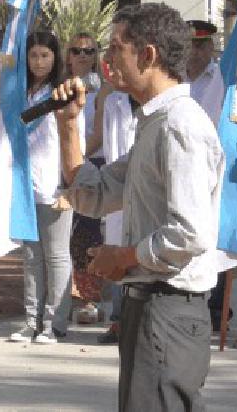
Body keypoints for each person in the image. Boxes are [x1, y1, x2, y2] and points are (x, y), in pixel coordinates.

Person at [53, 3, 237, 411]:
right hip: (150, 306)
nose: (107, 60)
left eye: (117, 48)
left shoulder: (179, 125)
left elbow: (189, 233)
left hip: (169, 308)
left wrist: (123, 256)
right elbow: (94, 193)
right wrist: (68, 124)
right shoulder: (153, 123)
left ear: (149, 55)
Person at [6, 31, 83, 345]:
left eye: (45, 56)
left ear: (56, 59)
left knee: (56, 256)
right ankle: (31, 321)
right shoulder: (20, 92)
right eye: (33, 55)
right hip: (25, 185)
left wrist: (69, 185)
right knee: (31, 257)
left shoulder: (63, 92)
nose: (38, 62)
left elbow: (74, 136)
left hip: (54, 184)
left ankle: (55, 322)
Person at [185, 20, 235, 330]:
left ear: (210, 47)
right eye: (191, 44)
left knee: (213, 236)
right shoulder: (172, 78)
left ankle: (216, 308)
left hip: (211, 168)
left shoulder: (220, 80)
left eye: (201, 45)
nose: (195, 51)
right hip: (179, 166)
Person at [92, 64, 138, 345]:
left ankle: (135, 320)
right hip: (118, 183)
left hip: (144, 184)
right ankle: (118, 320)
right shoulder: (112, 101)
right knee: (116, 252)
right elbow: (109, 144)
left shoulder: (152, 103)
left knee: (138, 252)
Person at [65, 32, 106, 323]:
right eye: (77, 50)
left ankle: (90, 299)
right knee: (62, 236)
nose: (83, 56)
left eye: (90, 51)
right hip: (61, 168)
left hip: (92, 164)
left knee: (87, 235)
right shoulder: (59, 88)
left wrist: (75, 158)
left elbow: (98, 134)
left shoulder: (103, 90)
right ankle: (63, 295)